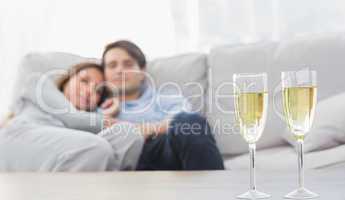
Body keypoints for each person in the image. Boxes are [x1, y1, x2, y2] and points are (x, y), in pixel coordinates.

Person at [100, 40, 224, 170]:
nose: (120, 70)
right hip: (126, 163)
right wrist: (105, 117)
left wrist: (132, 129)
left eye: (128, 64)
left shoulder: (167, 98)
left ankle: (212, 188)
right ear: (104, 73)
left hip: (167, 154)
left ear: (142, 72)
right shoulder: (100, 109)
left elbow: (183, 123)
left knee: (189, 122)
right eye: (112, 65)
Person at [0, 62, 144, 171]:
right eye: (84, 81)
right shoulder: (39, 82)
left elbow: (82, 122)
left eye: (98, 91)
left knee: (129, 134)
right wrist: (106, 118)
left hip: (65, 147)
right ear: (68, 79)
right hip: (20, 133)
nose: (88, 91)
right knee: (95, 148)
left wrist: (104, 112)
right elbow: (73, 118)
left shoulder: (89, 121)